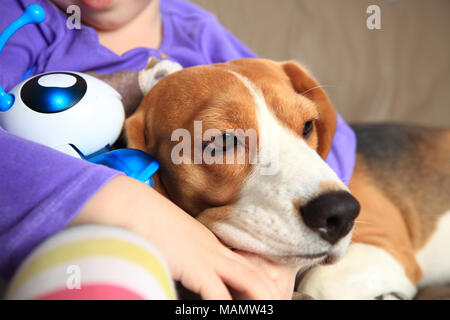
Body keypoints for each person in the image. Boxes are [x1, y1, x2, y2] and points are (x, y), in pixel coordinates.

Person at [0, 0, 356, 299]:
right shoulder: (19, 15)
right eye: (225, 140)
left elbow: (333, 134)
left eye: (307, 127)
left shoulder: (196, 27)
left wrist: (281, 253)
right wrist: (131, 207)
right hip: (81, 250)